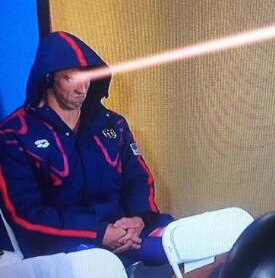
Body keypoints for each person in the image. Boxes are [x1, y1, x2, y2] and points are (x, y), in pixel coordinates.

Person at [0, 31, 173, 267]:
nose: (83, 88)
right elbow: (27, 215)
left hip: (127, 233)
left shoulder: (114, 124)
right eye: (71, 78)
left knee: (191, 240)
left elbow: (138, 179)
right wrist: (98, 233)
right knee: (103, 265)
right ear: (48, 79)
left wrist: (139, 219)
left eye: (88, 77)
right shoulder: (14, 134)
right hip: (65, 247)